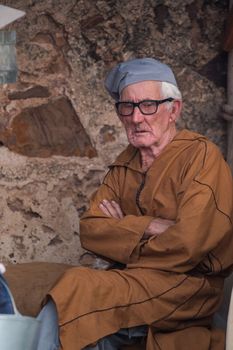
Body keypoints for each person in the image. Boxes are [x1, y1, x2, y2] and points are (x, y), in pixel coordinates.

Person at [37, 58, 233, 350]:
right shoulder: (125, 163)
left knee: (79, 286)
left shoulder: (201, 157)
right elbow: (91, 229)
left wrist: (122, 234)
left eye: (148, 106)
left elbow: (189, 244)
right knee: (40, 287)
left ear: (173, 110)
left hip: (187, 288)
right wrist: (151, 226)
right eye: (127, 107)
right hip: (134, 279)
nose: (136, 117)